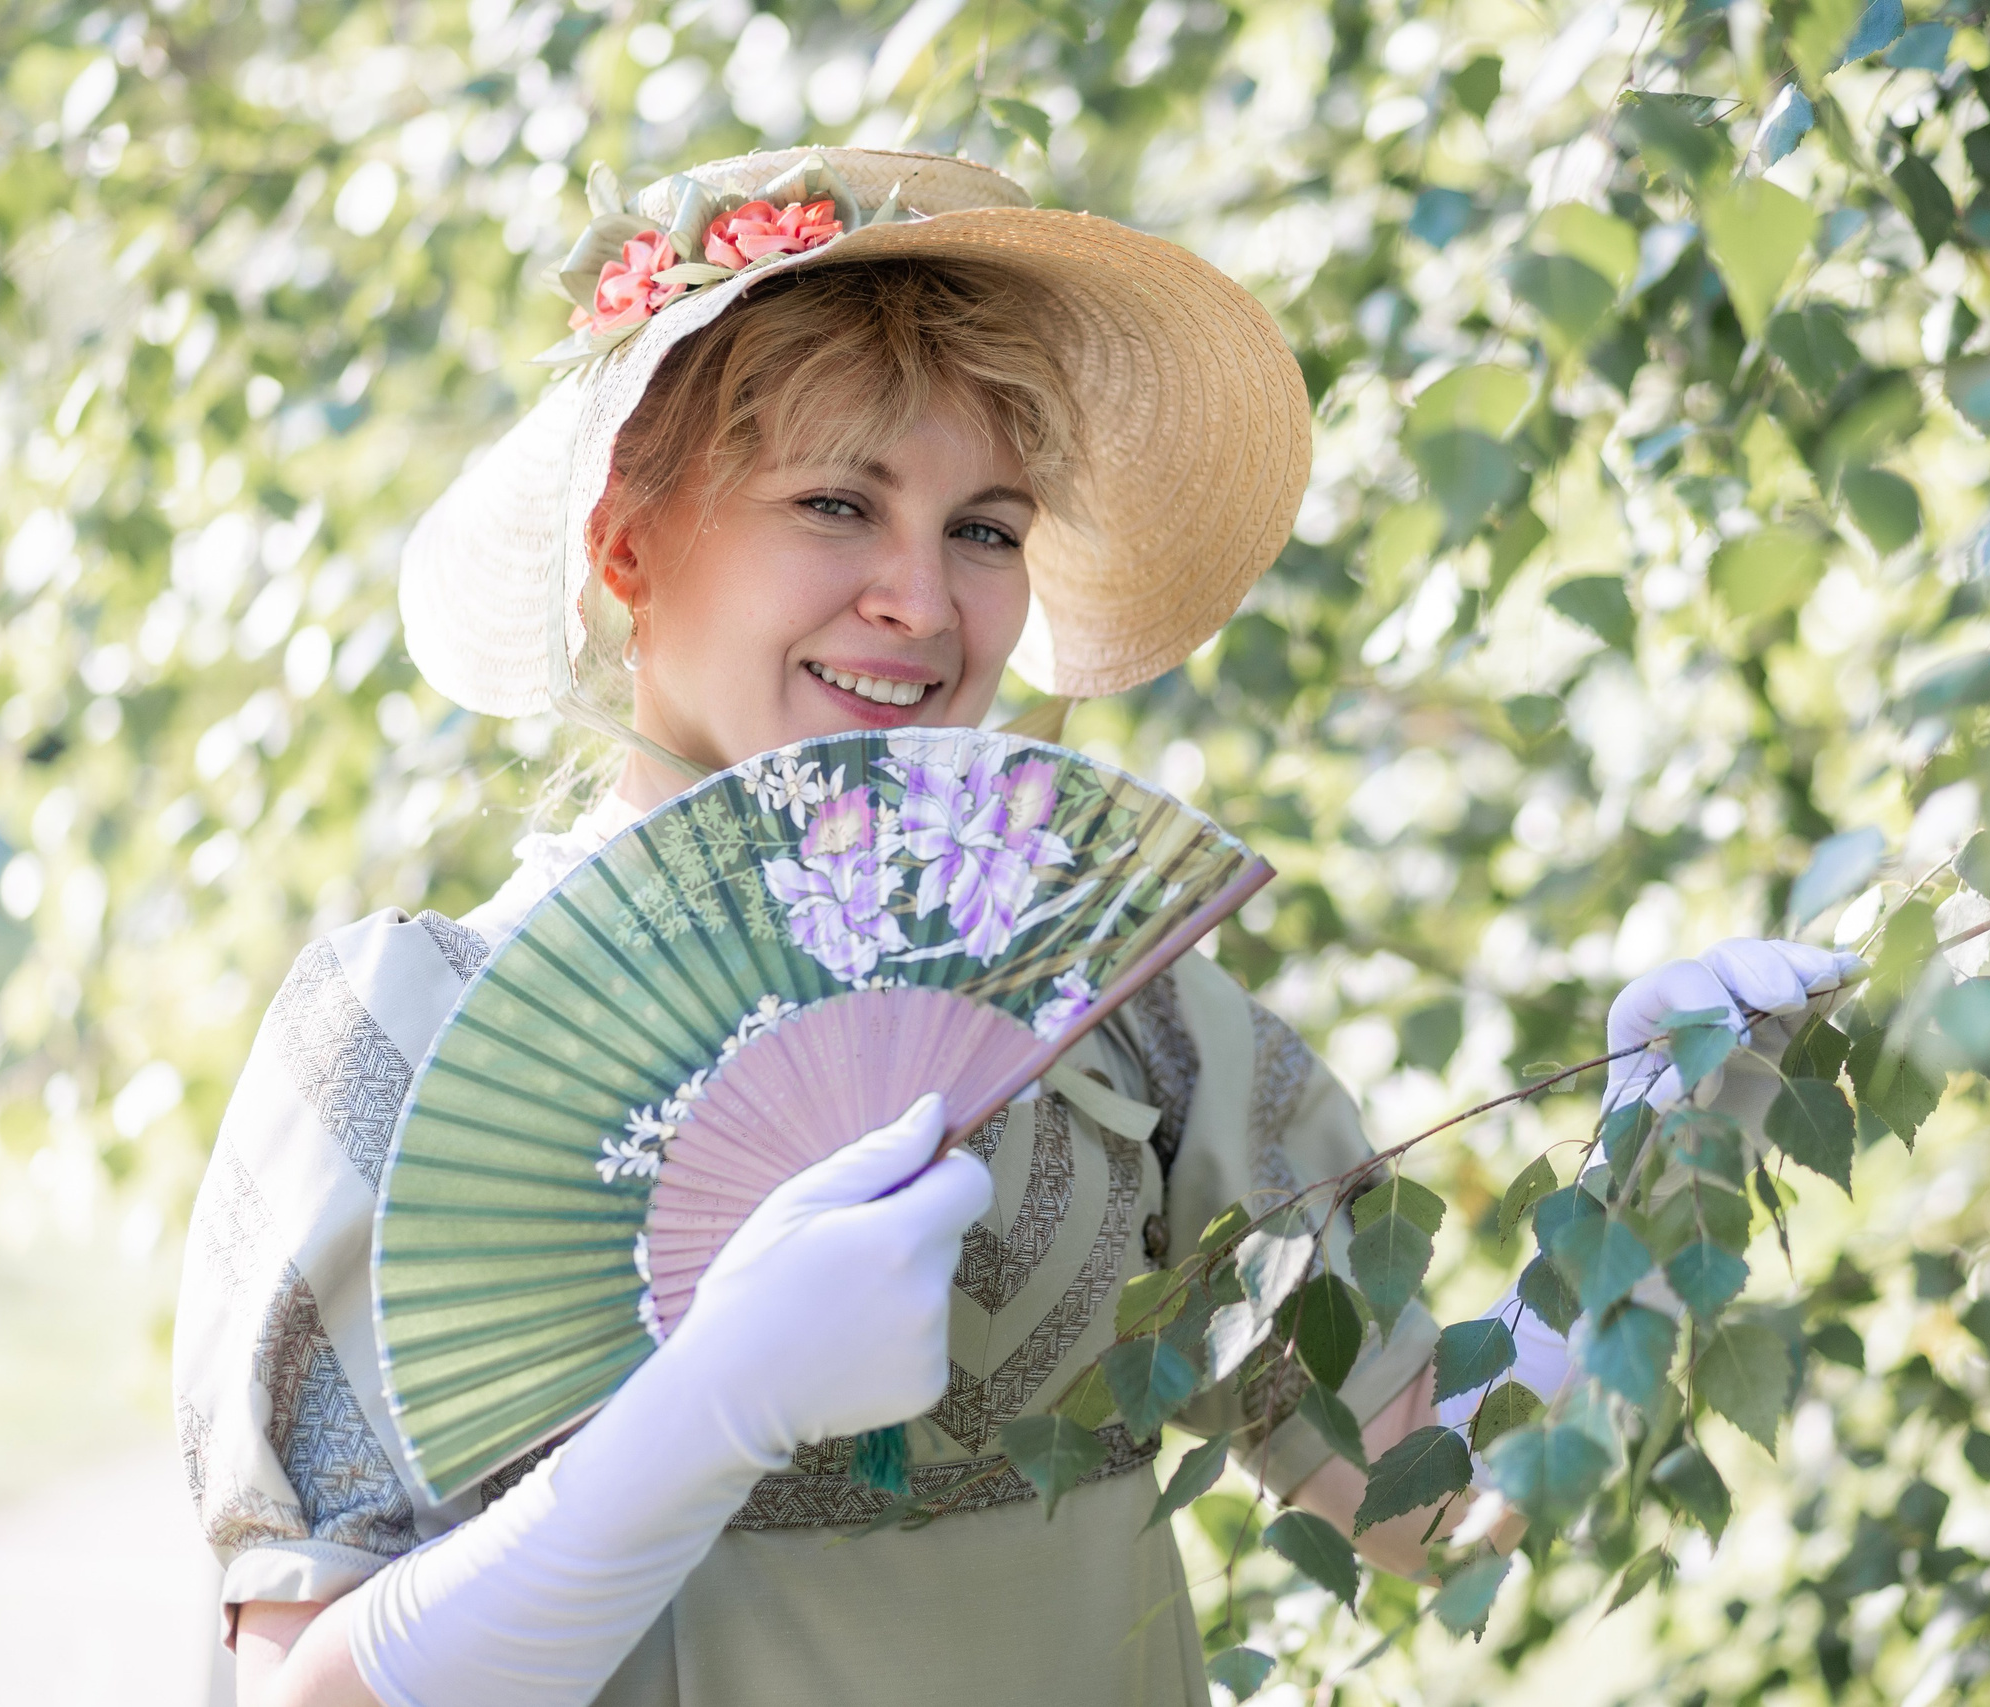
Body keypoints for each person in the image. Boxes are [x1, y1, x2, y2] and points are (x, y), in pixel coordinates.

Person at [171, 146, 1853, 1707]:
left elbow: (1429, 1500)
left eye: (983, 529)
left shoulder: (1116, 1016)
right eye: (837, 504)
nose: (924, 596)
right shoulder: (416, 1029)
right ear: (628, 545)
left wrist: (1657, 1165)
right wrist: (709, 1416)